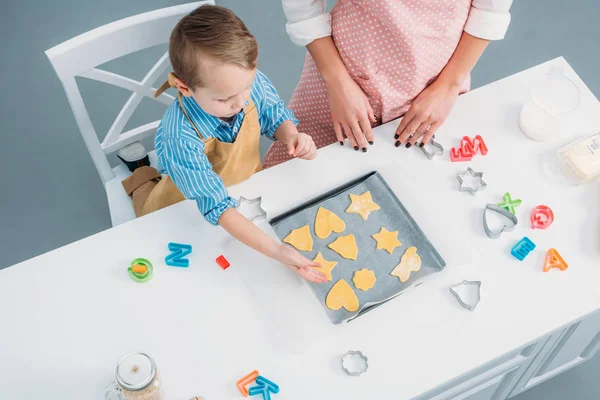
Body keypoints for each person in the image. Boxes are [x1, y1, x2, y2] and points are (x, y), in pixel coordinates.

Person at [145, 5, 326, 283]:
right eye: (224, 99)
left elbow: (273, 114)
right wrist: (277, 250)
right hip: (186, 209)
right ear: (184, 88)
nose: (241, 102)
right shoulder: (178, 138)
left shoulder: (245, 86)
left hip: (244, 189)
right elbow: (218, 207)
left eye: (246, 87)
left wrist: (291, 135)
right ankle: (139, 179)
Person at [264, 0, 513, 167]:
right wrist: (337, 81)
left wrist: (448, 86)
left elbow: (490, 10)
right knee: (296, 181)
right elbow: (302, 6)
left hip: (434, 88)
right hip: (340, 81)